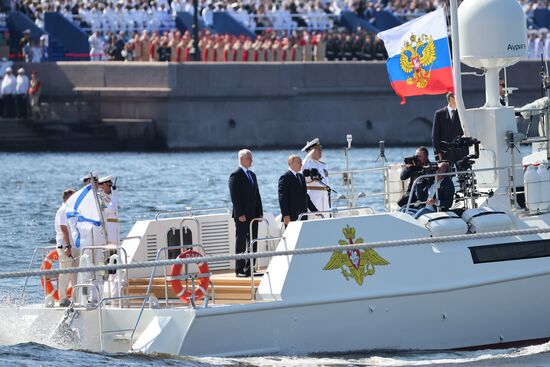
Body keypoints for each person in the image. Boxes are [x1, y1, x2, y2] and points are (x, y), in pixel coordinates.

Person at [228, 149, 263, 277]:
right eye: (249, 158)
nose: (251, 160)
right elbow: (235, 197)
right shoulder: (235, 175)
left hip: (253, 215)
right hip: (242, 216)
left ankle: (250, 268)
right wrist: (240, 213)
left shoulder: (252, 175)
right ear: (242, 159)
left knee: (253, 241)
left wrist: (260, 212)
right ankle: (239, 269)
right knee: (241, 241)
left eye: (251, 158)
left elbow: (257, 195)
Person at [278, 155, 317, 226]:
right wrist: (285, 215)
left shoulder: (301, 177)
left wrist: (315, 211)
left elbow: (305, 196)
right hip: (291, 216)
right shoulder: (285, 177)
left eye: (301, 162)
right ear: (291, 163)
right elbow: (282, 198)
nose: (301, 164)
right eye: (299, 162)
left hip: (303, 214)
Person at [432, 92, 467, 164]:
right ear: (451, 99)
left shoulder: (463, 113)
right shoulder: (439, 114)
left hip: (461, 152)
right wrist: (437, 152)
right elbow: (435, 135)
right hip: (445, 153)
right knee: (446, 174)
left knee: (463, 174)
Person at [55, 188, 76, 307]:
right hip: (64, 246)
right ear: (67, 198)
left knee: (73, 273)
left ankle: (75, 297)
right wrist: (68, 246)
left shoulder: (68, 210)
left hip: (69, 245)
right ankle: (62, 299)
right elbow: (63, 229)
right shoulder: (63, 210)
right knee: (65, 272)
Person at [302, 138, 330, 211]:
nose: (321, 151)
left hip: (325, 195)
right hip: (313, 196)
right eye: (318, 149)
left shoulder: (323, 165)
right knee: (314, 216)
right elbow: (304, 178)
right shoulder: (306, 164)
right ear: (311, 151)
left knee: (326, 216)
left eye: (321, 149)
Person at [98, 175, 119, 246]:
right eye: (109, 185)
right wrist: (115, 193)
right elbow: (113, 209)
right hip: (108, 230)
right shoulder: (102, 198)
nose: (111, 188)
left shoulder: (109, 197)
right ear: (103, 186)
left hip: (112, 230)